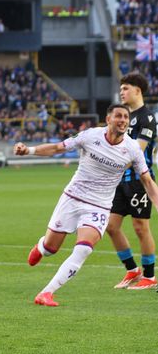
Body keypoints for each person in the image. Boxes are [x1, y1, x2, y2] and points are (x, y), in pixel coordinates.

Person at [17, 104, 158, 307]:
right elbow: (58, 148)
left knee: (83, 249)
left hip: (99, 206)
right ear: (108, 119)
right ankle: (41, 247)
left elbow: (147, 181)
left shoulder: (132, 148)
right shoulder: (90, 136)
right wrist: (28, 150)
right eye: (118, 116)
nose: (123, 120)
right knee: (51, 248)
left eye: (126, 117)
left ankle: (46, 293)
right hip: (73, 198)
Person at [107, 73, 158, 289]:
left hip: (139, 180)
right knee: (111, 226)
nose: (121, 92)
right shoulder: (123, 116)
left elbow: (138, 152)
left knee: (140, 227)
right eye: (121, 89)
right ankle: (132, 269)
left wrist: (108, 167)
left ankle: (149, 275)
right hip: (120, 181)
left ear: (138, 90)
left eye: (125, 88)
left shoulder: (147, 118)